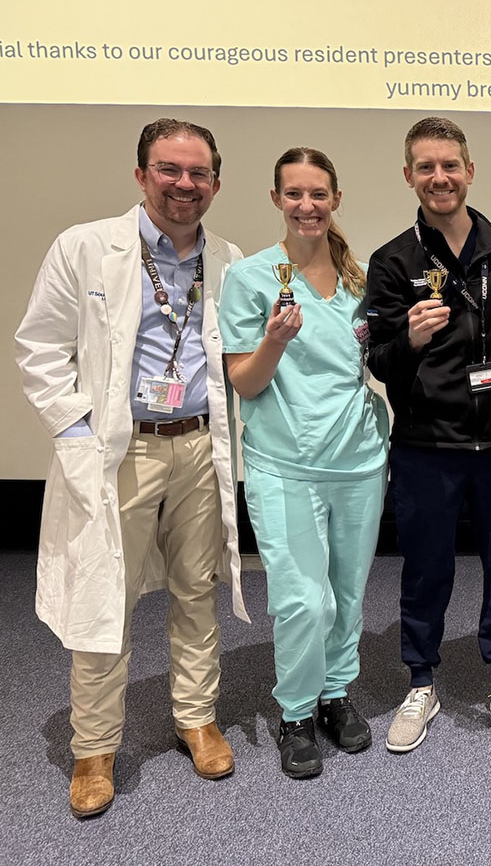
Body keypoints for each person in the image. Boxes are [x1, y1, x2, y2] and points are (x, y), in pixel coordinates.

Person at [13, 119, 246, 817]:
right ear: (141, 174)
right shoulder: (84, 248)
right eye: (169, 170)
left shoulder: (229, 258)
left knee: (195, 589)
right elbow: (38, 350)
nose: (184, 184)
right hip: (123, 451)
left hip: (201, 444)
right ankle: (94, 749)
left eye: (198, 173)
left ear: (215, 182)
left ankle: (196, 717)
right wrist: (82, 435)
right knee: (104, 600)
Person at [365, 117, 491, 753]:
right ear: (408, 176)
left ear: (470, 170)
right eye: (425, 167)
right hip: (425, 446)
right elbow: (379, 361)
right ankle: (421, 679)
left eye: (450, 165)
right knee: (426, 568)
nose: (439, 177)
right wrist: (409, 337)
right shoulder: (391, 262)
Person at [218, 148, 390, 779]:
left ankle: (334, 694)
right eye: (294, 194)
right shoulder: (253, 278)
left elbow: (373, 366)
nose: (307, 205)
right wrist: (274, 341)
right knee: (301, 601)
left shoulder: (362, 280)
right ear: (276, 200)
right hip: (284, 461)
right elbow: (245, 383)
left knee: (346, 593)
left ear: (336, 199)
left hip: (359, 461)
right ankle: (294, 710)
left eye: (318, 194)